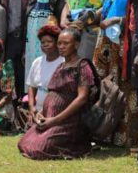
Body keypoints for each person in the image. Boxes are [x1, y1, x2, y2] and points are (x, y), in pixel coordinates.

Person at [18, 28, 94, 160]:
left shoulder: (82, 66)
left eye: (66, 43)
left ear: (76, 44)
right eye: (59, 43)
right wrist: (40, 113)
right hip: (49, 119)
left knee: (37, 149)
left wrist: (55, 120)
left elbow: (82, 98)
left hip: (67, 121)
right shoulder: (61, 66)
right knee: (23, 143)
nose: (61, 47)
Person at [92, 0, 138, 148]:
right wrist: (92, 15)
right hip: (106, 42)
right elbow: (106, 7)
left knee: (124, 87)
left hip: (125, 41)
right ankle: (104, 131)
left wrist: (116, 20)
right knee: (104, 85)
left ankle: (125, 137)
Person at [0, 0, 38, 99]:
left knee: (26, 72)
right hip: (9, 40)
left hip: (27, 38)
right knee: (10, 73)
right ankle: (12, 103)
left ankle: (26, 103)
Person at [24, 0, 65, 84]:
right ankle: (31, 98)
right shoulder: (32, 0)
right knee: (33, 72)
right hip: (31, 45)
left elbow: (60, 25)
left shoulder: (57, 0)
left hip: (49, 45)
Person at [25, 25, 64, 115]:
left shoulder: (64, 63)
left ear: (57, 43)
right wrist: (31, 107)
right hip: (37, 111)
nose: (45, 44)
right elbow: (32, 86)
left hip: (56, 112)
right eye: (43, 42)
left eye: (49, 41)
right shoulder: (37, 62)